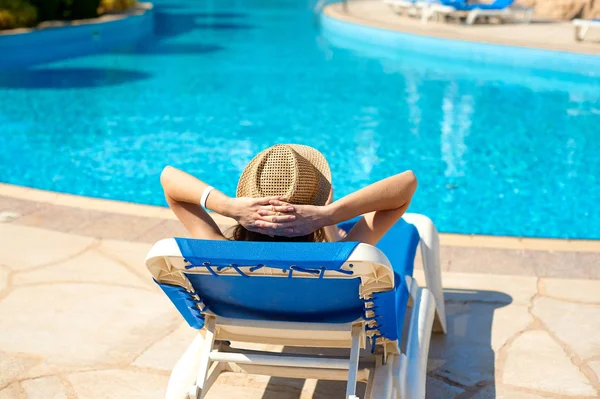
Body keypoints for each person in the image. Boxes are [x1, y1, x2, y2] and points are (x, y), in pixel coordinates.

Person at [160, 144, 417, 246]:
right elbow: (406, 184)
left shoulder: (221, 250)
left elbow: (169, 178)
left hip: (248, 320)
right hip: (327, 323)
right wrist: (328, 215)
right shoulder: (344, 255)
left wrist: (227, 207)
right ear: (312, 211)